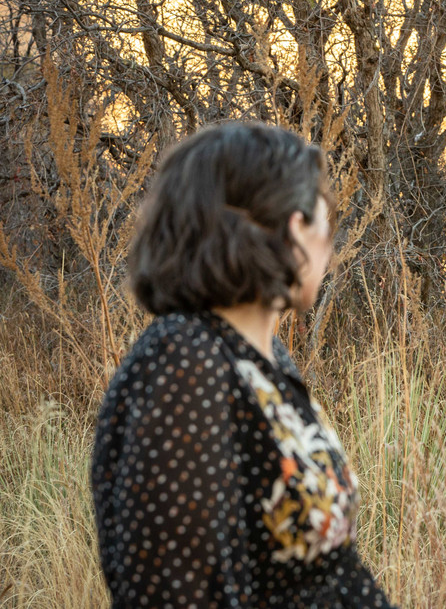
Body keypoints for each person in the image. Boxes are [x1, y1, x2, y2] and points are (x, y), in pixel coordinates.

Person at [91, 122, 396, 608]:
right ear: (293, 228)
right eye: (327, 222)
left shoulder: (264, 356)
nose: (331, 245)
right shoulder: (185, 361)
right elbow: (174, 591)